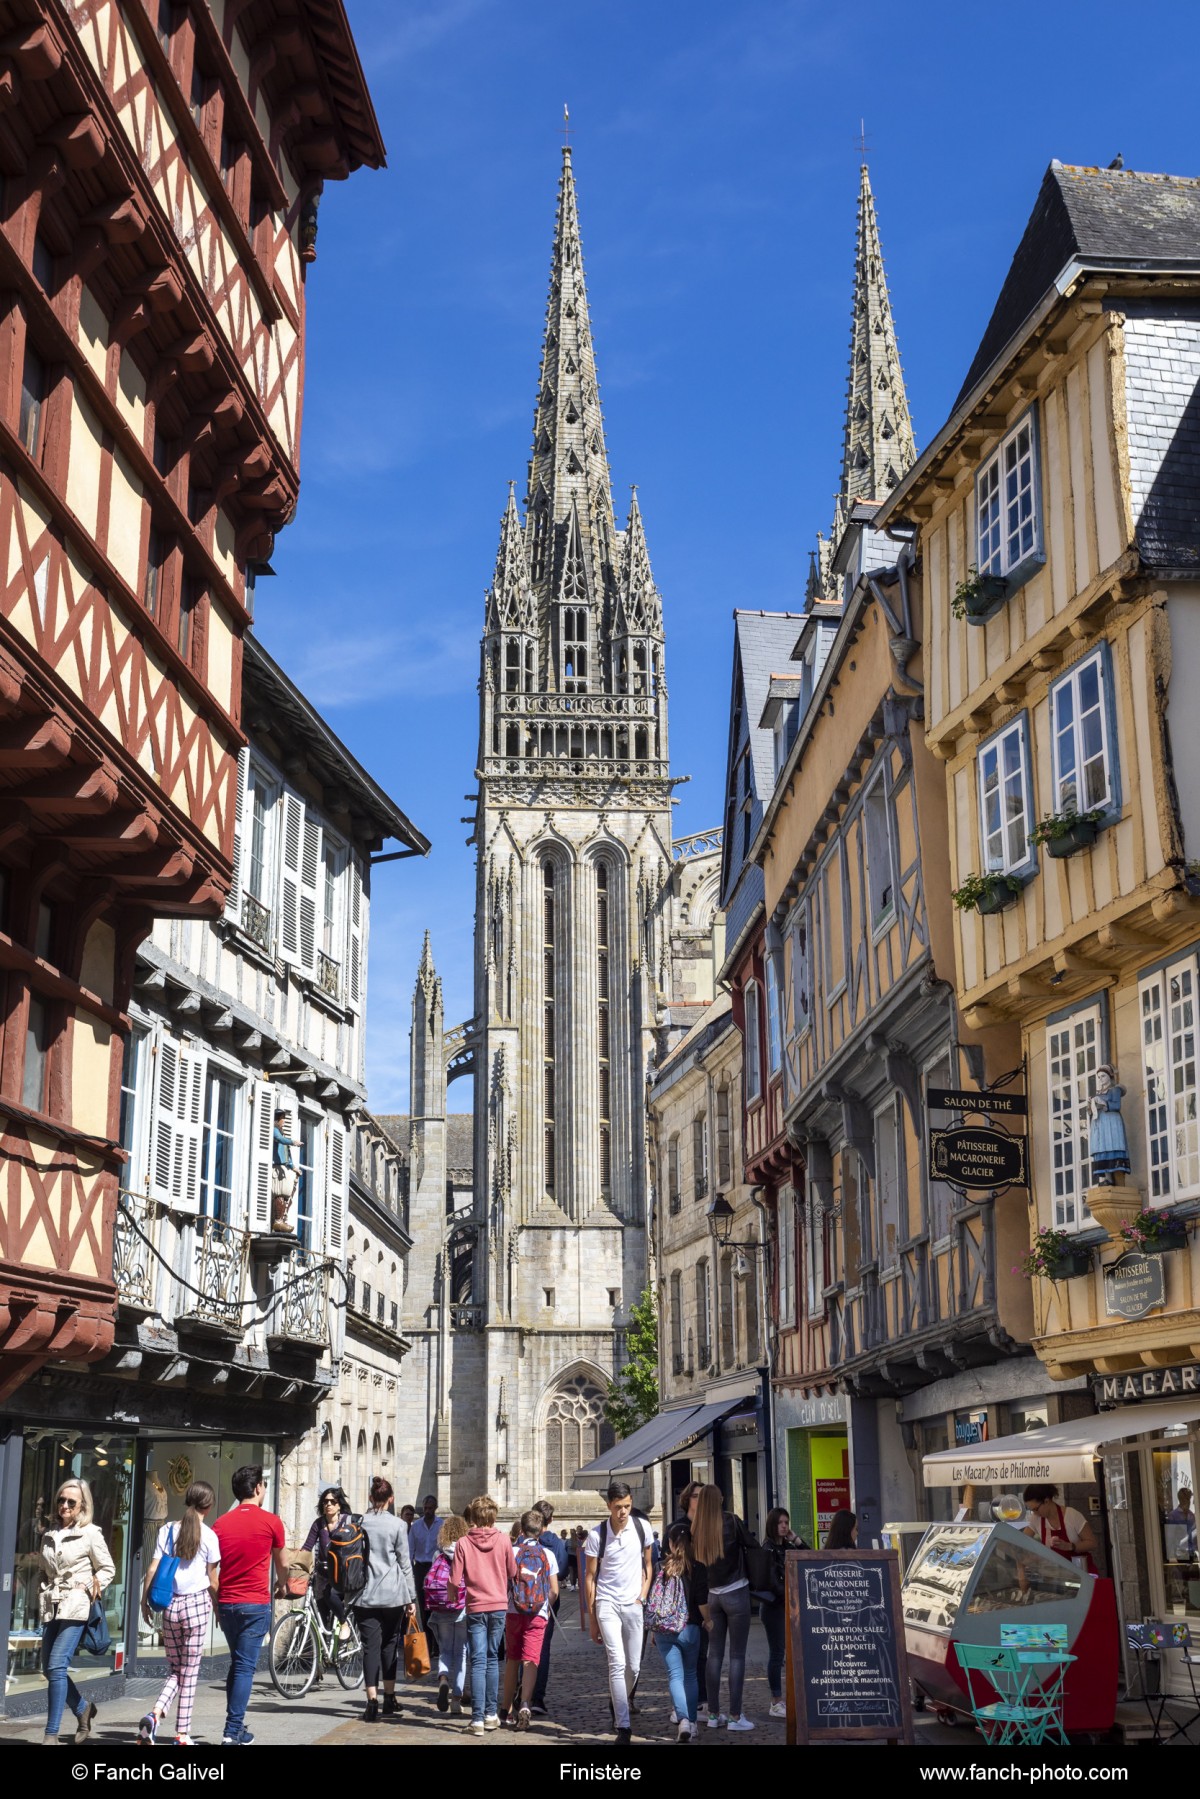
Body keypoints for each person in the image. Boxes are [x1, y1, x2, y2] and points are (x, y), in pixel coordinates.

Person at [137, 1481, 220, 1746]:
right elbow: (213, 1579)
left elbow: (152, 1570)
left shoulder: (167, 1530)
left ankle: (154, 1715)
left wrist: (143, 1601)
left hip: (170, 1607)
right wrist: (218, 1606)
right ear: (208, 1507)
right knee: (189, 1673)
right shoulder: (209, 1536)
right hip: (196, 1607)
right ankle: (182, 1734)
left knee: (175, 1670)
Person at [212, 1463, 289, 1746]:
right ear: (258, 1488)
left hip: (229, 1604)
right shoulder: (271, 1522)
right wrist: (283, 1584)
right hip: (255, 1604)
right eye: (264, 1486)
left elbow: (211, 1570)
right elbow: (283, 1564)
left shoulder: (220, 1524)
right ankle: (232, 1732)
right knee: (244, 1667)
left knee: (237, 1664)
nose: (264, 1490)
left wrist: (217, 1600)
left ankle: (237, 1727)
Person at [38, 1478, 115, 1746]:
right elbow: (43, 1568)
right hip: (51, 1605)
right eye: (61, 1500)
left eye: (72, 1501)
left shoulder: (91, 1533)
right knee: (48, 1669)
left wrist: (89, 1588)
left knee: (57, 1666)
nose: (65, 1505)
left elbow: (107, 1568)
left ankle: (51, 1734)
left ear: (82, 1505)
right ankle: (83, 1709)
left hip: (76, 1606)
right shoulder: (49, 1533)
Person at [584, 1480, 654, 1746]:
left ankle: (619, 1699)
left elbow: (648, 1564)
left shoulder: (642, 1527)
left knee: (634, 1666)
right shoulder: (596, 1535)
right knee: (617, 1661)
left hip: (634, 1604)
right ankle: (623, 1725)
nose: (623, 1512)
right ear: (609, 1506)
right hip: (607, 1603)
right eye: (617, 1507)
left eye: (626, 1506)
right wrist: (592, 1619)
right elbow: (590, 1577)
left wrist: (643, 1595)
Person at [451, 1494, 517, 1737]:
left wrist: (451, 1597)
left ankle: (477, 1719)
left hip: (476, 1606)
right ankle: (491, 1714)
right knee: (491, 1659)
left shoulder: (463, 1543)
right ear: (493, 1517)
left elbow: (454, 1580)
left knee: (478, 1660)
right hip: (498, 1605)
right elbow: (512, 1571)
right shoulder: (503, 1540)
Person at [690, 1484, 754, 1732]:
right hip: (736, 1591)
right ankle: (736, 1715)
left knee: (714, 1655)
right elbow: (752, 1544)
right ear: (718, 1500)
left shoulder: (697, 1527)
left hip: (712, 1596)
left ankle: (714, 1714)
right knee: (737, 1655)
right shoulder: (731, 1520)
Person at [356, 1476, 415, 1722]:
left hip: (364, 1595)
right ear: (390, 1500)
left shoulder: (360, 1523)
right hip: (392, 1595)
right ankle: (389, 1697)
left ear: (371, 1498)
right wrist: (411, 1597)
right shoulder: (398, 1525)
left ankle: (372, 1701)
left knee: (370, 1648)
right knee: (390, 1645)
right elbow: (405, 1564)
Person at [647, 1521, 709, 1743]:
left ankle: (682, 1719)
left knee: (675, 1675)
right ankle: (691, 1722)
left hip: (664, 1629)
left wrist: (654, 1630)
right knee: (690, 1675)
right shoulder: (698, 1567)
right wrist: (708, 1621)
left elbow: (654, 1601)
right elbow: (702, 1601)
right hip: (690, 1629)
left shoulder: (660, 1567)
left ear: (670, 1544)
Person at [500, 1509, 559, 1730]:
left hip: (513, 1611)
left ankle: (505, 1709)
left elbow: (505, 1582)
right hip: (537, 1614)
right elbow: (554, 1591)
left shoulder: (512, 1551)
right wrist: (542, 1607)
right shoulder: (548, 1554)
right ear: (541, 1530)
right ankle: (525, 1704)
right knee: (531, 1660)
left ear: (522, 1530)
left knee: (513, 1659)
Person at [760, 1508, 806, 1719]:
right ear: (772, 1524)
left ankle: (788, 1698)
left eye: (786, 1522)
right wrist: (788, 1597)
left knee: (787, 1654)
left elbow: (809, 1557)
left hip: (787, 1606)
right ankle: (776, 1701)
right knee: (777, 1654)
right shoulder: (768, 1549)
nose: (784, 1526)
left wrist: (795, 1539)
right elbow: (770, 1582)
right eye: (780, 1522)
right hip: (774, 1608)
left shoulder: (787, 1546)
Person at [529, 1499, 569, 1717]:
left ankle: (521, 1692)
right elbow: (562, 1571)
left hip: (523, 1600)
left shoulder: (523, 1540)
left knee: (524, 1648)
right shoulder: (555, 1542)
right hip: (548, 1600)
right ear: (551, 1519)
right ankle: (537, 1698)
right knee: (542, 1649)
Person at [427, 1514, 470, 1716]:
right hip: (461, 1607)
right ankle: (456, 1698)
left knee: (444, 1649)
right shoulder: (467, 1552)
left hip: (441, 1607)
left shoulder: (438, 1554)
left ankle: (443, 1678)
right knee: (461, 1652)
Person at [302, 1487, 353, 1637]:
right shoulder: (318, 1524)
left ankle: (344, 1623)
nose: (328, 1504)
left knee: (329, 1594)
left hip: (342, 1576)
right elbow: (307, 1547)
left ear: (339, 1505)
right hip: (323, 1576)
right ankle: (325, 1657)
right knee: (322, 1619)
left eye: (332, 1501)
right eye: (325, 1502)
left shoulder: (347, 1522)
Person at [1021, 1485, 1098, 1569]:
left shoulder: (1072, 1515)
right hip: (1059, 1574)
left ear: (1046, 1501)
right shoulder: (1036, 1519)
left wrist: (1070, 1546)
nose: (1035, 1513)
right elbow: (1021, 1543)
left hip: (1081, 1571)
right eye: (1031, 1510)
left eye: (1036, 1509)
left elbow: (1092, 1543)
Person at [408, 1494, 444, 1651]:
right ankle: (428, 1643)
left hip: (437, 1568)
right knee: (423, 1606)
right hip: (421, 1568)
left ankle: (437, 1642)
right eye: (425, 1508)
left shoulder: (441, 1525)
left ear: (435, 1508)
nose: (427, 1511)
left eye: (430, 1508)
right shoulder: (416, 1526)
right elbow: (410, 1551)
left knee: (437, 1606)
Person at [271, 1108, 299, 1233]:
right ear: (277, 1120)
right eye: (283, 1119)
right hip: (277, 1166)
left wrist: (293, 1167)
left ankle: (282, 1219)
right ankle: (278, 1221)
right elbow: (281, 1141)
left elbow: (287, 1153)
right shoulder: (275, 1132)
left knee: (286, 1195)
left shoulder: (282, 1134)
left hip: (284, 1167)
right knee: (280, 1193)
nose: (284, 1122)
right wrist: (293, 1142)